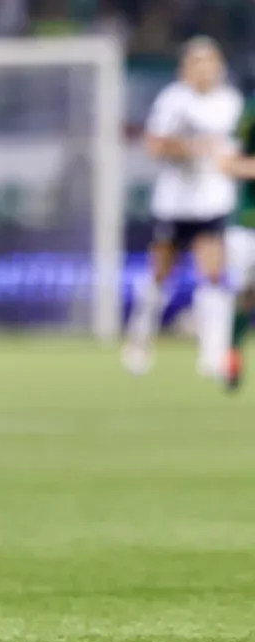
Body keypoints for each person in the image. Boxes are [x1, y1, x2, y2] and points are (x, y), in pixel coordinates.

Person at [122, 37, 242, 378]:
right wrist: (190, 147)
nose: (205, 69)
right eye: (198, 62)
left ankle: (212, 353)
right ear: (186, 68)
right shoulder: (173, 100)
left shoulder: (230, 103)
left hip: (213, 199)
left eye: (210, 62)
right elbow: (154, 145)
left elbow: (230, 150)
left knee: (214, 274)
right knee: (160, 274)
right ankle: (139, 339)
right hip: (175, 201)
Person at [219, 96, 255, 390]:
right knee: (246, 292)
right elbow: (227, 162)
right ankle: (232, 353)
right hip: (248, 221)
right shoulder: (251, 110)